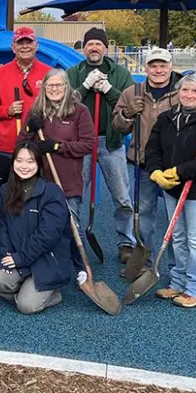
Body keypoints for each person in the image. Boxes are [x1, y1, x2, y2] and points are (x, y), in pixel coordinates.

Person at [144, 73, 196, 308]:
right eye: (184, 90)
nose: (188, 95)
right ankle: (178, 282)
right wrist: (156, 171)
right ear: (178, 93)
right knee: (177, 236)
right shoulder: (167, 118)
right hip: (172, 188)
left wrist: (179, 171)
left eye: (194, 91)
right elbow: (153, 149)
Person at [67, 27, 136, 262]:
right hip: (81, 141)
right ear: (84, 48)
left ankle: (126, 242)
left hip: (111, 140)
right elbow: (65, 103)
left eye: (98, 44)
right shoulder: (74, 73)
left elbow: (130, 104)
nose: (94, 48)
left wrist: (108, 89)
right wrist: (86, 86)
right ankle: (74, 240)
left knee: (121, 195)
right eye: (90, 44)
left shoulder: (120, 74)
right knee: (75, 193)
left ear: (106, 48)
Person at [0, 141, 76, 315]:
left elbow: (48, 236)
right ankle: (27, 287)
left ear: (39, 164)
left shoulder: (52, 193)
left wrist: (21, 257)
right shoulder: (5, 192)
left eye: (30, 161)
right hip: (19, 258)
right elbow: (1, 227)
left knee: (27, 307)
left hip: (47, 260)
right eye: (19, 160)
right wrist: (6, 254)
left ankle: (52, 294)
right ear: (13, 162)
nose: (24, 166)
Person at [111, 47, 181, 257]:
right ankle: (143, 260)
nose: (158, 70)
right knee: (143, 214)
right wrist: (127, 113)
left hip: (174, 164)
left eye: (163, 65)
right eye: (153, 65)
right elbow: (117, 125)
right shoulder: (133, 92)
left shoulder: (182, 92)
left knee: (175, 218)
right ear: (146, 67)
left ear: (170, 67)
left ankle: (176, 268)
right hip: (143, 163)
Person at [17, 68, 96, 220]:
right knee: (39, 225)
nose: (54, 89)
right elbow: (20, 144)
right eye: (50, 85)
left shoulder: (79, 111)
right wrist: (29, 129)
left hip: (68, 183)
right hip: (39, 182)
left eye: (59, 85)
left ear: (67, 86)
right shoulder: (36, 111)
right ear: (44, 87)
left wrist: (57, 146)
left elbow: (88, 144)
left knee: (70, 227)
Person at [0, 26, 52, 154]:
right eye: (20, 43)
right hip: (11, 145)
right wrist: (8, 110)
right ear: (13, 47)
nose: (25, 46)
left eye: (29, 42)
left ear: (36, 46)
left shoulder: (48, 73)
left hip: (40, 143)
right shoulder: (1, 73)